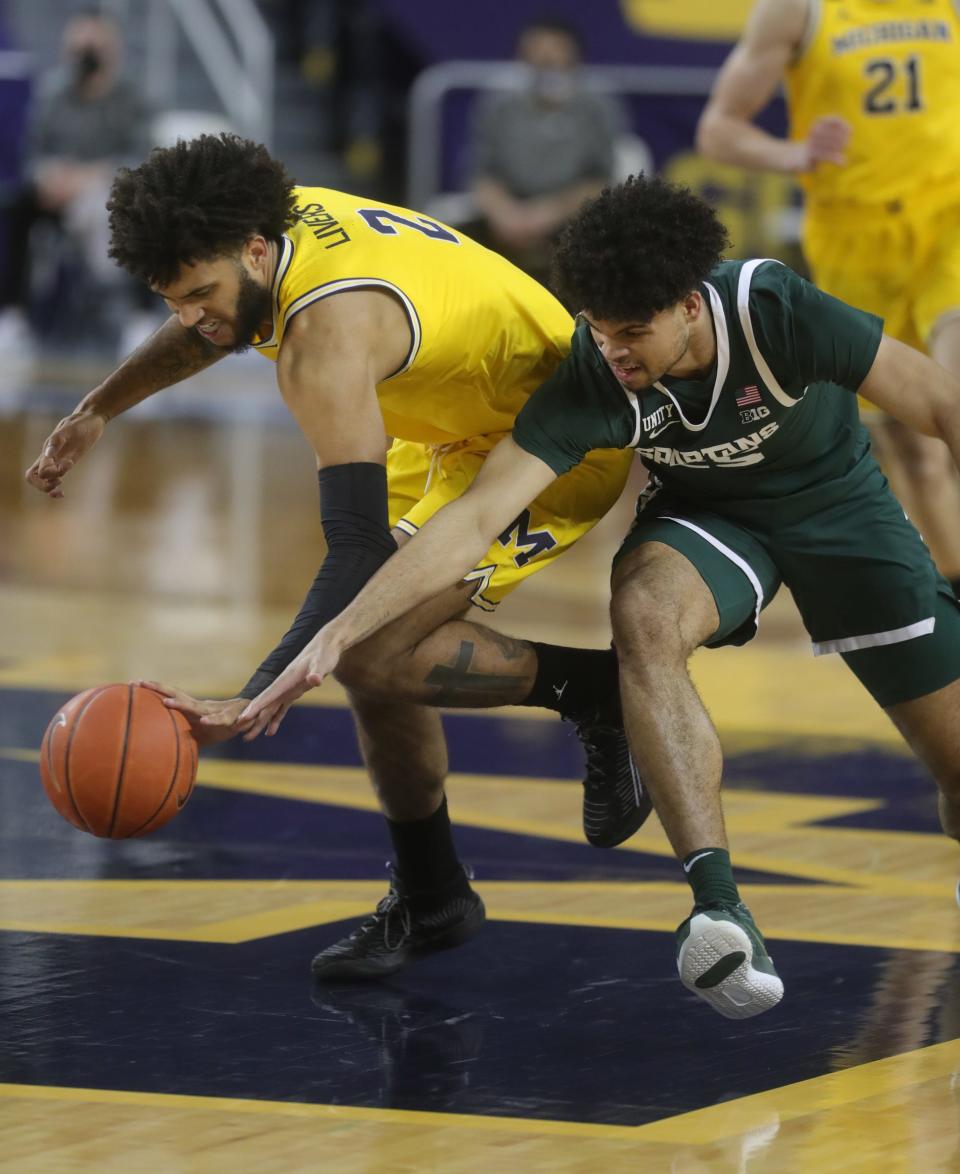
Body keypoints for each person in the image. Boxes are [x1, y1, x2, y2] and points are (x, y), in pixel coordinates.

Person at [241, 176, 960, 1020]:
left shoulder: (774, 308)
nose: (612, 348)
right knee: (644, 616)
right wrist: (339, 632)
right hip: (710, 518)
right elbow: (475, 516)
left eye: (632, 331)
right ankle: (719, 909)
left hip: (840, 510)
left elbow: (942, 403)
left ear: (690, 306)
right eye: (595, 324)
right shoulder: (596, 371)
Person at [24, 134, 648, 981]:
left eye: (199, 292)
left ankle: (600, 693)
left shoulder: (324, 335)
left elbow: (356, 553)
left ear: (252, 251)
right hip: (449, 427)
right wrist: (101, 407)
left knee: (370, 648)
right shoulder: (268, 231)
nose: (190, 316)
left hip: (550, 438)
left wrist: (250, 697)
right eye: (172, 299)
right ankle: (433, 898)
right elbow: (218, 321)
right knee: (365, 662)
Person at [695, 0, 960, 595]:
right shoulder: (797, 10)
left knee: (956, 390)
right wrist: (794, 155)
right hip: (855, 241)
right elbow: (718, 129)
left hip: (950, 221)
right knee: (914, 451)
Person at [0, 8, 152, 355]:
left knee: (146, 206)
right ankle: (13, 313)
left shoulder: (131, 97)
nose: (86, 56)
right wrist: (48, 176)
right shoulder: (53, 93)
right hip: (58, 194)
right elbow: (33, 153)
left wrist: (93, 177)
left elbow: (142, 158)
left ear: (112, 49)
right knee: (17, 201)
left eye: (94, 47)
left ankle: (139, 316)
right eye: (79, 47)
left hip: (112, 193)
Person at [469, 16, 623, 282]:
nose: (547, 68)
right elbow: (482, 173)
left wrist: (544, 215)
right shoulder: (499, 104)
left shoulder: (597, 107)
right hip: (506, 217)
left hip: (572, 219)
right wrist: (505, 215)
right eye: (537, 59)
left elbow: (600, 181)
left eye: (555, 59)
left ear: (575, 60)